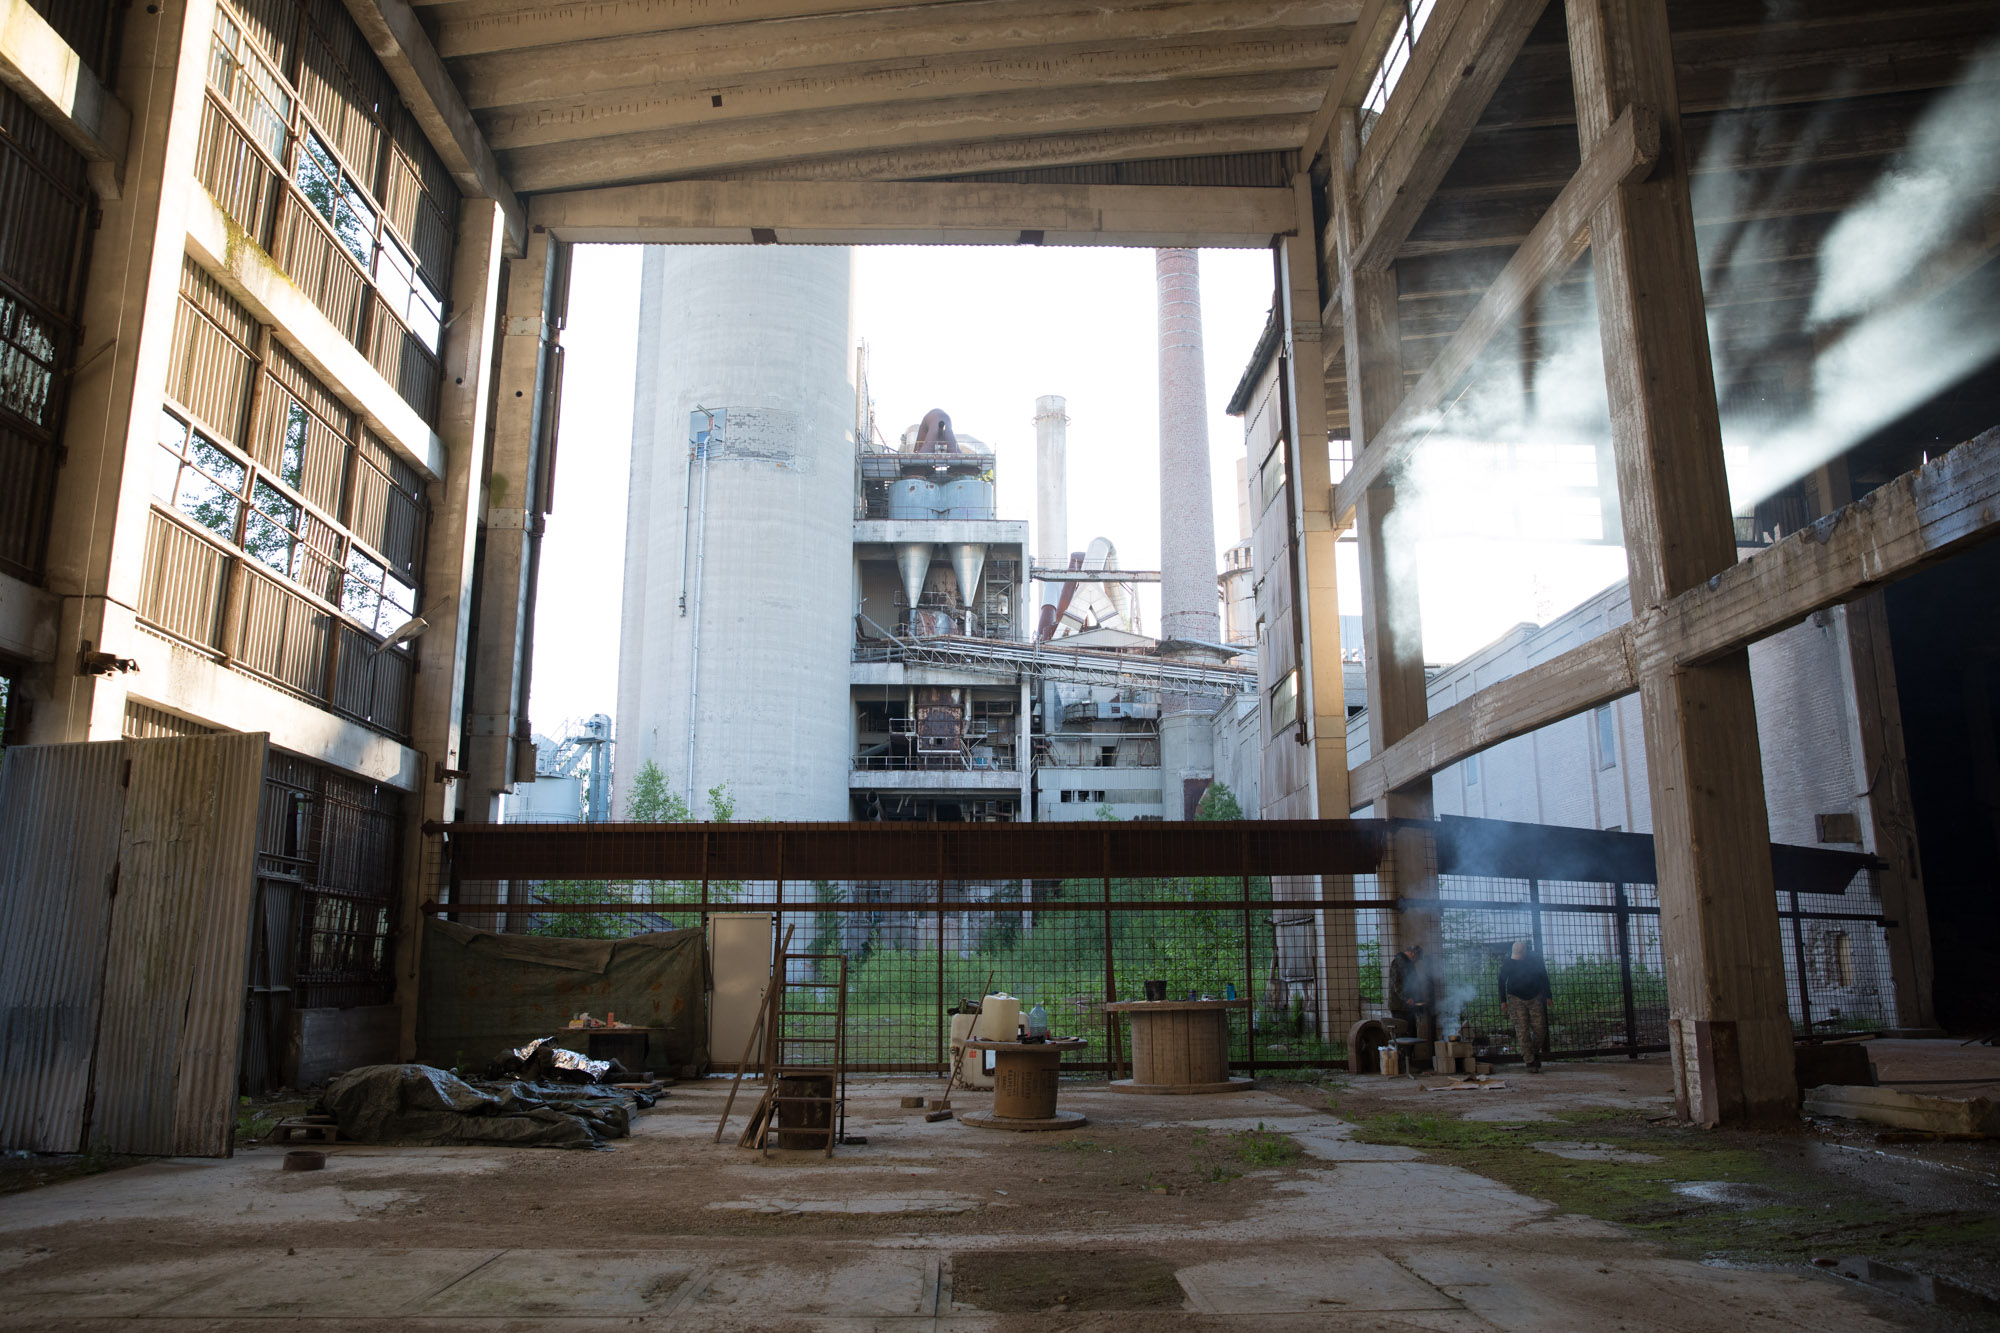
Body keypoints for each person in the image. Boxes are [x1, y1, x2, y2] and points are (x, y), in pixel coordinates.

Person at [1498, 939, 1552, 1072]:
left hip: (1535, 996)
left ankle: (1532, 1053)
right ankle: (1530, 1060)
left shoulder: (1535, 960)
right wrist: (1503, 1000)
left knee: (1540, 1029)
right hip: (1516, 998)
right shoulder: (1508, 962)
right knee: (1522, 1030)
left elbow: (1544, 977)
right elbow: (1501, 980)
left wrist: (1548, 996)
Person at [1387, 942, 1434, 1042]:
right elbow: (1397, 984)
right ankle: (1403, 1056)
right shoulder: (1399, 962)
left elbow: (1412, 983)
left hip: (1407, 1007)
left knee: (1411, 1034)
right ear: (1413, 953)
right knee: (1403, 1035)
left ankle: (1408, 1056)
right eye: (1417, 958)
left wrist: (1418, 999)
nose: (1417, 961)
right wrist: (1406, 998)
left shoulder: (1409, 964)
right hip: (1400, 1007)